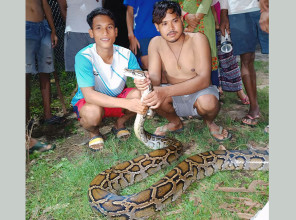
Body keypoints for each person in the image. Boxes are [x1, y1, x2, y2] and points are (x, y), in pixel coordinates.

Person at [135, 1, 231, 142]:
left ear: (181, 20)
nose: (171, 28)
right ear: (157, 27)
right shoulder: (155, 43)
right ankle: (175, 122)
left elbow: (204, 80)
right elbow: (155, 78)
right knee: (150, 95)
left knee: (209, 102)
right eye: (164, 23)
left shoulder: (198, 39)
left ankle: (210, 122)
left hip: (200, 92)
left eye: (175, 21)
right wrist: (146, 82)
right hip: (173, 97)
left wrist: (165, 92)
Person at [71, 8, 147, 151]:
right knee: (91, 113)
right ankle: (94, 133)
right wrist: (127, 103)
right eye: (98, 28)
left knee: (140, 95)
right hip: (90, 102)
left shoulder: (126, 54)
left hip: (116, 97)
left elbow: (139, 77)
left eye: (109, 27)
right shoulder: (84, 57)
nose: (105, 33)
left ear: (116, 32)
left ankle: (119, 123)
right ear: (91, 33)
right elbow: (89, 95)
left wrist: (143, 81)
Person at [219, 0, 269, 126]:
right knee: (246, 60)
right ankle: (254, 107)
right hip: (237, 12)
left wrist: (267, 8)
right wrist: (224, 14)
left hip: (263, 7)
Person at [26, 0, 64, 125]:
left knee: (46, 71)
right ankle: (25, 119)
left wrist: (52, 29)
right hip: (25, 28)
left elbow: (45, 4)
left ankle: (48, 115)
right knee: (25, 75)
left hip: (43, 28)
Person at [211, 1, 249, 105]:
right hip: (211, 26)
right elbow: (210, 6)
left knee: (229, 59)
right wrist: (215, 23)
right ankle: (217, 89)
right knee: (211, 61)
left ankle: (239, 90)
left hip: (226, 26)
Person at [177, 0, 219, 88]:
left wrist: (193, 24)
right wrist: (185, 15)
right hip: (183, 22)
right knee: (188, 57)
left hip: (203, 21)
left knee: (206, 55)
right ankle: (192, 93)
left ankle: (212, 93)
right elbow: (172, 3)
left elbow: (206, 2)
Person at [57, 0, 105, 73]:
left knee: (101, 70)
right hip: (74, 33)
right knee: (80, 73)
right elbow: (63, 8)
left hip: (97, 32)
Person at [123, 0, 160, 70]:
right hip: (142, 34)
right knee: (148, 65)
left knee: (163, 66)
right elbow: (129, 11)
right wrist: (131, 35)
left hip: (161, 33)